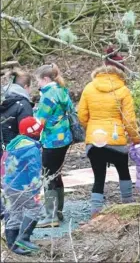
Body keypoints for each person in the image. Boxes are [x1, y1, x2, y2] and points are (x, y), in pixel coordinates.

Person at [78, 47, 140, 218]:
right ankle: (128, 206)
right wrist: (136, 138)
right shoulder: (123, 90)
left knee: (99, 176)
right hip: (116, 139)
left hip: (94, 140)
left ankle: (95, 212)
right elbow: (129, 120)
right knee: (123, 171)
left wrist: (91, 129)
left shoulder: (89, 88)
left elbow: (82, 115)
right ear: (121, 70)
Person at [34, 63, 73, 228]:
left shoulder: (48, 94)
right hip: (64, 138)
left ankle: (50, 215)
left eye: (38, 81)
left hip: (51, 140)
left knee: (48, 175)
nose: (38, 85)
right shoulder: (62, 90)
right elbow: (70, 109)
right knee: (56, 174)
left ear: (45, 79)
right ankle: (58, 211)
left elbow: (40, 121)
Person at [3, 117, 43, 255]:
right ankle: (23, 238)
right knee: (35, 208)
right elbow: (34, 170)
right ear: (35, 133)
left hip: (9, 184)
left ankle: (12, 245)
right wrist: (36, 189)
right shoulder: (32, 149)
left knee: (15, 211)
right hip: (22, 186)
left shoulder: (15, 144)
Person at [0, 69, 33, 226]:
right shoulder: (23, 104)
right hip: (16, 150)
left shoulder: (3, 99)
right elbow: (27, 131)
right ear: (26, 86)